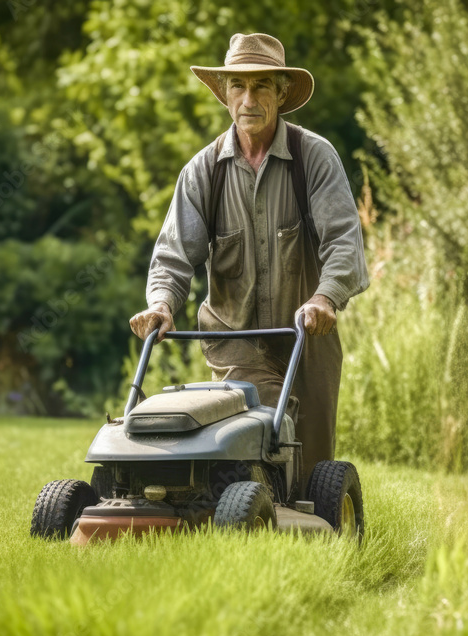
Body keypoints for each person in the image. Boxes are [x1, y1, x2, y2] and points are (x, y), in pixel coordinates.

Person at [129, 32, 368, 492]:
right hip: (235, 338)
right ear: (225, 94)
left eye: (262, 86)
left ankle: (316, 539)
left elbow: (345, 244)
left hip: (308, 333)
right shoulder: (203, 171)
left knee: (314, 465)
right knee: (265, 425)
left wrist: (325, 298)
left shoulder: (312, 158)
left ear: (281, 93)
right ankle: (245, 519)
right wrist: (161, 305)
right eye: (238, 85)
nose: (249, 98)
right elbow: (174, 255)